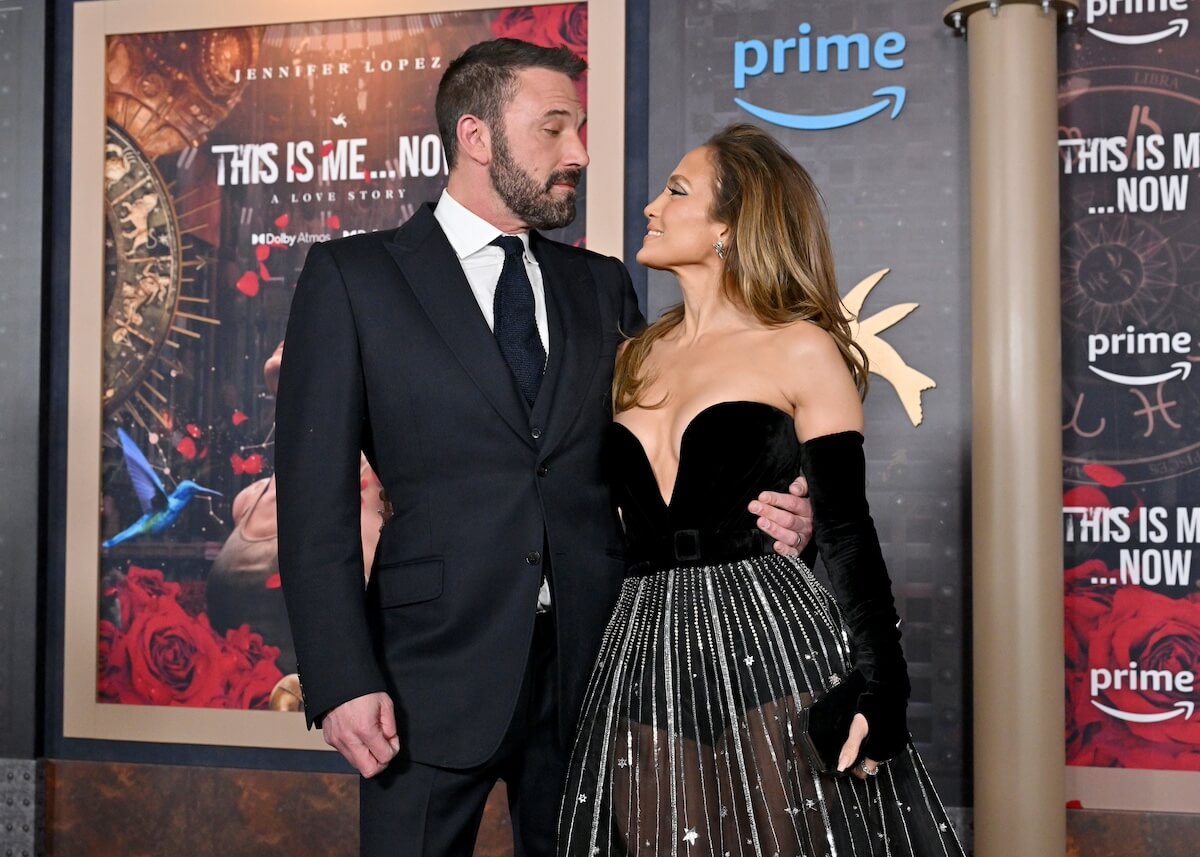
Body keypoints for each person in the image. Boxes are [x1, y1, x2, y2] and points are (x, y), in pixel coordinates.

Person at [275, 41, 811, 857]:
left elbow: (653, 465)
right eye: (554, 127)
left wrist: (772, 508)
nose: (580, 153)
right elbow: (312, 505)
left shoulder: (599, 285)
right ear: (476, 136)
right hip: (424, 681)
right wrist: (342, 679)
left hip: (592, 678)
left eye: (582, 129)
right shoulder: (353, 279)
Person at [557, 125, 966, 857]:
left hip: (768, 640)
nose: (651, 206)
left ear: (730, 227)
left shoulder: (799, 347)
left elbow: (846, 532)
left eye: (677, 191)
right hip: (643, 645)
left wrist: (883, 687)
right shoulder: (630, 357)